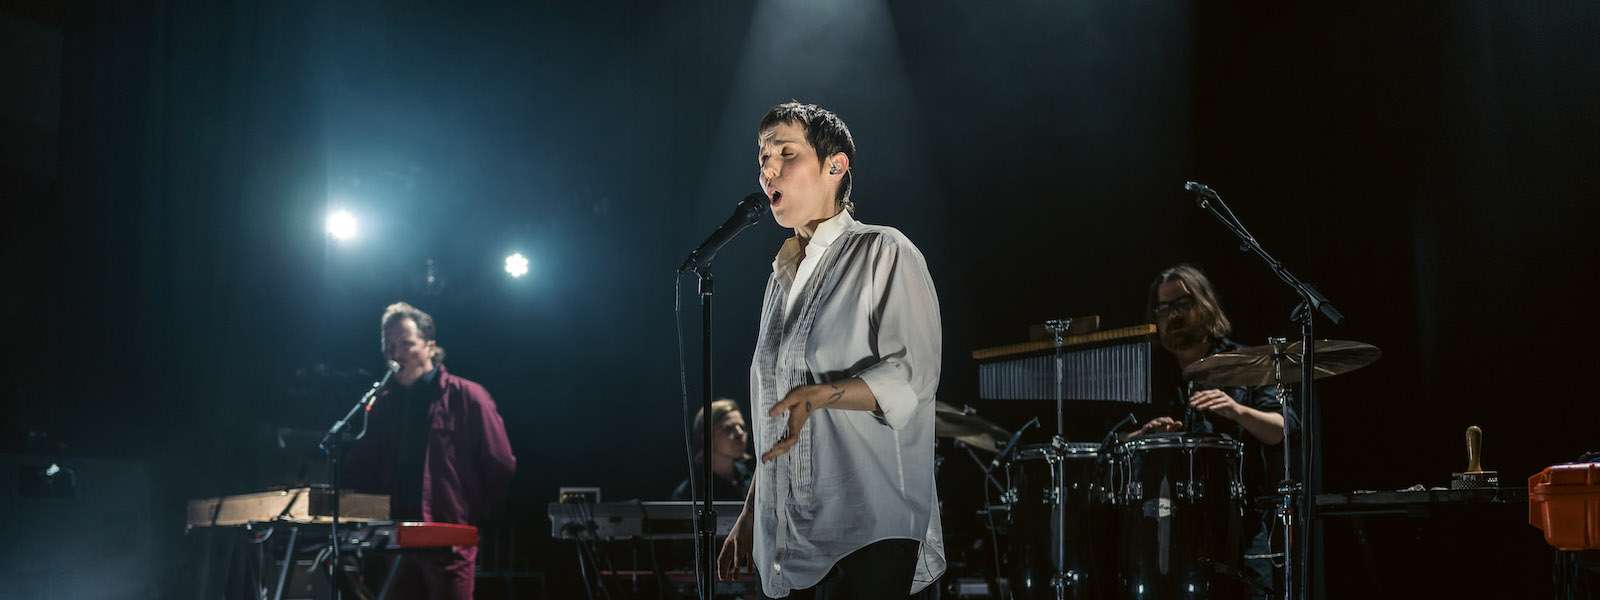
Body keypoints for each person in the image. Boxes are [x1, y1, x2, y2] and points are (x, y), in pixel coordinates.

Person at [715, 101, 945, 599]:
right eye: (762, 158)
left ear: (835, 166)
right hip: (792, 534)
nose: (768, 170)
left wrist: (823, 394)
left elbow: (912, 377)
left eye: (786, 154)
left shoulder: (883, 251)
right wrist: (751, 514)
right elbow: (777, 414)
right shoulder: (779, 280)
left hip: (869, 528)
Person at [1129, 264, 1297, 599]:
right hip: (1166, 529)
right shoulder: (1147, 373)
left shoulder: (1246, 363)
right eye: (1164, 308)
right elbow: (1115, 444)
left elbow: (1282, 429)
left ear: (1206, 305)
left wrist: (1236, 410)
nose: (1173, 315)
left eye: (1182, 304)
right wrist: (1144, 438)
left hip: (1238, 526)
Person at [346, 302, 517, 600]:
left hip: (447, 542)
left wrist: (466, 514)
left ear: (430, 346)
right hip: (395, 541)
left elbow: (500, 463)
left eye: (406, 344)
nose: (396, 353)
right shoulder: (383, 403)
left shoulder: (467, 396)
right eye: (389, 345)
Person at [672, 398, 754, 501]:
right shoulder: (690, 492)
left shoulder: (752, 478)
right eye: (728, 428)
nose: (740, 433)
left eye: (742, 427)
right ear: (707, 435)